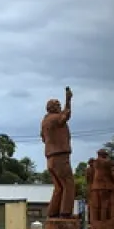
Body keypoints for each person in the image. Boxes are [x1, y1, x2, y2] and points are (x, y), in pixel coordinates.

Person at [40, 87, 75, 218]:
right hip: (60, 155)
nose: (60, 107)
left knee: (59, 187)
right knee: (68, 184)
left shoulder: (44, 122)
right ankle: (65, 212)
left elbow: (43, 138)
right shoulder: (55, 119)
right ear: (52, 108)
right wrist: (68, 99)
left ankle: (53, 211)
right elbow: (66, 115)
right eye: (58, 105)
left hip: (50, 158)